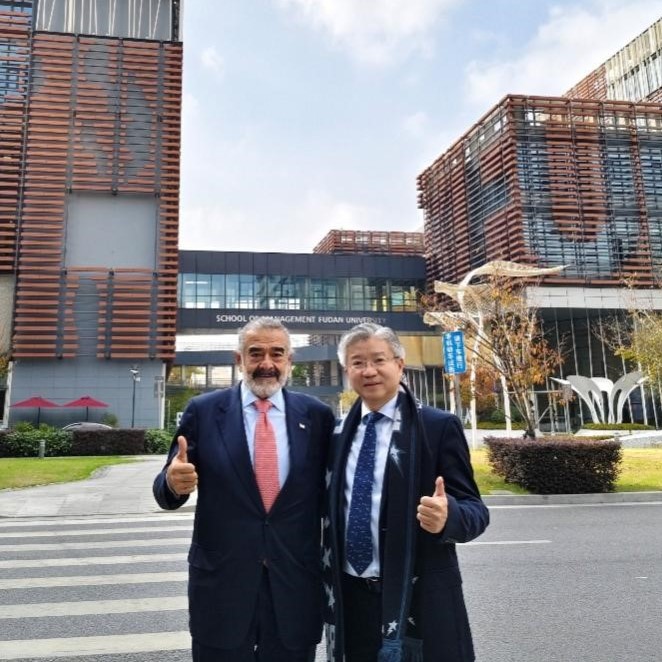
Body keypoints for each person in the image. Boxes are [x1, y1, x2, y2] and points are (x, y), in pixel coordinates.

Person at [153, 317, 336, 662]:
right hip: (222, 586)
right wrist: (173, 483)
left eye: (277, 353)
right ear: (239, 360)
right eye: (255, 353)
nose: (267, 363)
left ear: (289, 360)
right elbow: (166, 487)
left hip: (293, 585)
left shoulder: (317, 417)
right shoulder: (203, 412)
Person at [323, 323, 489, 662]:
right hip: (350, 600)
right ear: (346, 371)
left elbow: (475, 510)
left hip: (417, 598)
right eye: (357, 363)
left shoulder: (437, 427)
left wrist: (448, 516)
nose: (368, 371)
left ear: (399, 365)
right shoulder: (337, 434)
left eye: (378, 360)